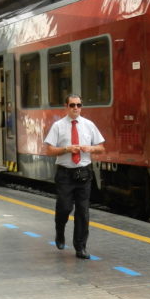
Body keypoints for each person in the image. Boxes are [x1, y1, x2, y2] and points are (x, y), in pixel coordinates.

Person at [43, 94, 105, 260]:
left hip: (83, 172)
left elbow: (101, 148)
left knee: (83, 212)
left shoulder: (89, 125)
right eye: (72, 105)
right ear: (66, 106)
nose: (75, 108)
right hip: (65, 173)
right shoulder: (58, 126)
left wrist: (91, 149)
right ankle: (60, 231)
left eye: (78, 105)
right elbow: (49, 151)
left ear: (81, 106)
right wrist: (66, 149)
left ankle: (81, 247)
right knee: (64, 208)